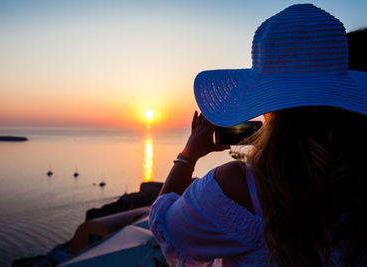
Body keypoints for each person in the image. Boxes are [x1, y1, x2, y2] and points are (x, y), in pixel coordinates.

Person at [149, 4, 367, 267]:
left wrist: (189, 154)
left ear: (269, 106)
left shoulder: (238, 187)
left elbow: (166, 228)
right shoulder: (356, 179)